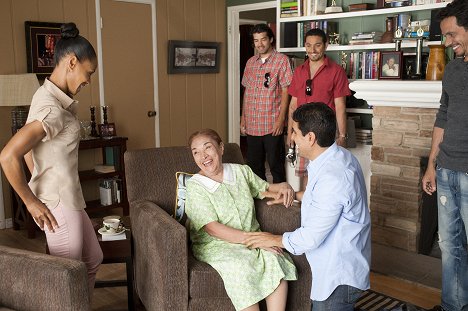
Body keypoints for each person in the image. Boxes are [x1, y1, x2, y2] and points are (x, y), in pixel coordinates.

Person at [0, 22, 103, 300]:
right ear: (72, 62)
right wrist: (32, 201)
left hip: (70, 199)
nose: (88, 81)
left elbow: (30, 152)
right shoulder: (50, 108)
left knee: (93, 259)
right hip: (61, 204)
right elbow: (9, 154)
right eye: (88, 73)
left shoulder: (51, 99)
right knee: (68, 278)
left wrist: (37, 186)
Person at [244, 103, 371, 310]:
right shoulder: (335, 156)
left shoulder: (334, 177)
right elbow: (321, 197)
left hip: (338, 276)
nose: (292, 137)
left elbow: (310, 238)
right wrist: (294, 195)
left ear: (310, 138)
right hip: (334, 266)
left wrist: (271, 238)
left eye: (294, 132)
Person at [185, 129, 297, 311]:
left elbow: (265, 189)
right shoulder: (195, 187)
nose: (203, 156)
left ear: (221, 148)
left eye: (208, 148)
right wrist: (257, 241)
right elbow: (212, 229)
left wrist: (284, 185)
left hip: (252, 237)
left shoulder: (241, 171)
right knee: (241, 267)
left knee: (275, 258)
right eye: (196, 152)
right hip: (217, 244)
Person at [421, 0, 468, 310]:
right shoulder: (452, 68)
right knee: (450, 247)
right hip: (447, 169)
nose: (449, 43)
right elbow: (443, 115)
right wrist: (430, 165)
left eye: (452, 35)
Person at [287, 28, 351, 188]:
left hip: (325, 130)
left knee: (325, 174)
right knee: (303, 173)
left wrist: (342, 136)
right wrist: (290, 134)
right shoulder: (299, 72)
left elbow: (340, 106)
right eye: (308, 45)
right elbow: (293, 105)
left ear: (326, 45)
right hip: (302, 130)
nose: (312, 50)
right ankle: (305, 208)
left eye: (317, 45)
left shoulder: (337, 71)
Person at [241, 24, 292, 183]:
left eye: (263, 39)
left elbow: (286, 92)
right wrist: (243, 117)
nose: (260, 44)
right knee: (254, 166)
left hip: (272, 123)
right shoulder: (250, 62)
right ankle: (261, 201)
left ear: (270, 39)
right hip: (252, 123)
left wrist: (281, 120)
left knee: (276, 165)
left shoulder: (282, 61)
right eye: (256, 40)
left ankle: (281, 203)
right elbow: (247, 91)